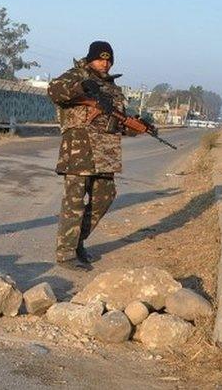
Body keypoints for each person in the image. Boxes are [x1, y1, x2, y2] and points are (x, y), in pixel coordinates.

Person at [47, 40, 137, 271]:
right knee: (74, 202)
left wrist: (134, 127)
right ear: (90, 59)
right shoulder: (76, 74)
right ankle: (66, 253)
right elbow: (54, 91)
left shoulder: (113, 89)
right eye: (100, 58)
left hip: (105, 152)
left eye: (108, 60)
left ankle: (77, 242)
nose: (105, 63)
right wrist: (82, 87)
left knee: (105, 197)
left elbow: (116, 122)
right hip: (79, 149)